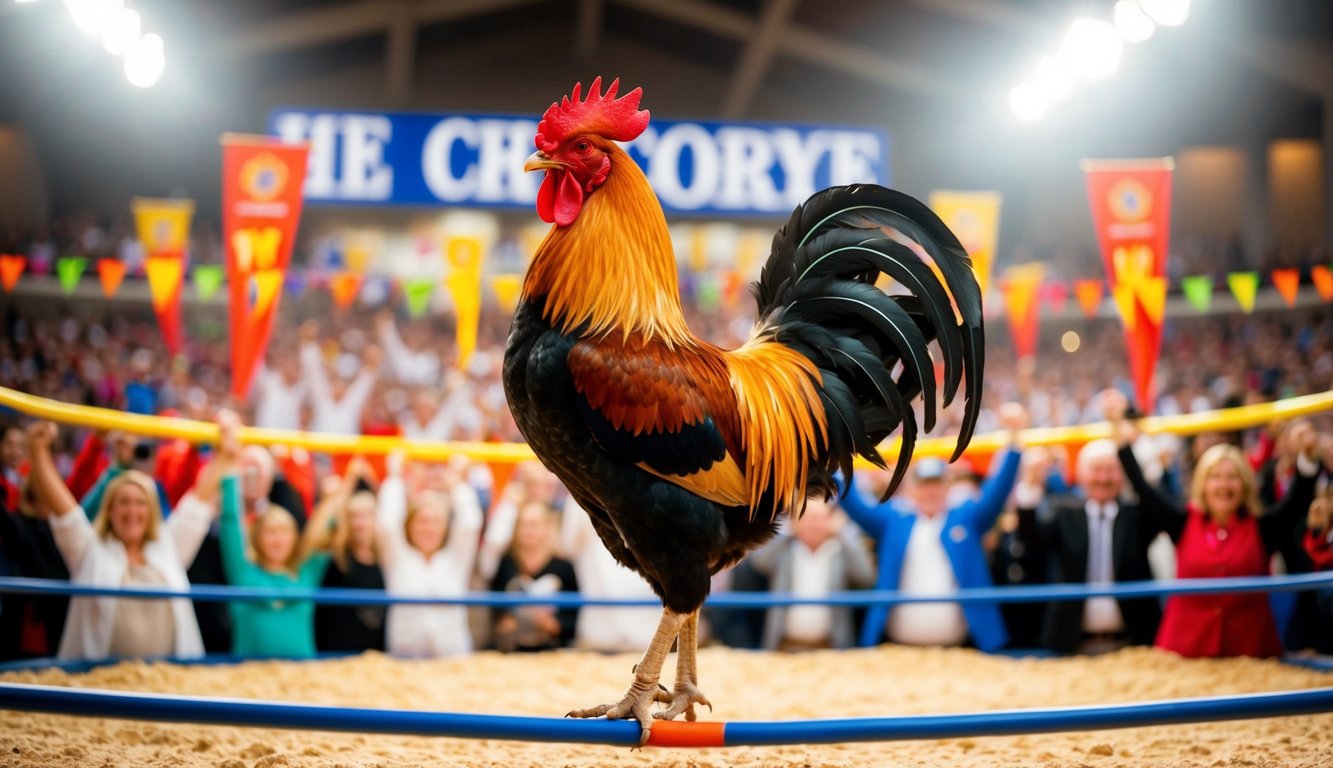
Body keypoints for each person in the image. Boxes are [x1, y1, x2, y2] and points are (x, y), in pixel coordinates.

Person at [1105, 390, 1320, 658]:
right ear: (1203, 484)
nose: (1224, 485)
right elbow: (1143, 489)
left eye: (1232, 477)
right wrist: (1118, 431)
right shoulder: (1182, 521)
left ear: (1245, 484)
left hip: (1251, 655)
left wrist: (1308, 457)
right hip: (1186, 655)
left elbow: (1296, 502)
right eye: (1215, 476)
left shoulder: (1263, 527)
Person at [837, 403, 1028, 652]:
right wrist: (836, 454)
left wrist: (1013, 440)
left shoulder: (966, 516)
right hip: (898, 648)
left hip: (960, 649)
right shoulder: (894, 519)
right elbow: (855, 504)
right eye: (924, 484)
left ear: (947, 487)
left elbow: (997, 491)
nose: (931, 491)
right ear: (912, 489)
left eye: (936, 484)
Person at [26, 419, 218, 661]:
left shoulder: (167, 547)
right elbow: (63, 510)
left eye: (140, 503)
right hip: (102, 683)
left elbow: (198, 503)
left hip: (166, 682)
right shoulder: (90, 548)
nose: (132, 511)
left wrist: (225, 455)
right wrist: (39, 450)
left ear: (151, 511)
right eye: (123, 502)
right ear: (110, 510)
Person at [1013, 438, 1166, 654]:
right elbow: (1031, 547)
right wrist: (1030, 485)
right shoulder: (1063, 513)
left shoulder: (1137, 516)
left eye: (1111, 470)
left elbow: (1167, 514)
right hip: (1071, 646)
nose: (1103, 478)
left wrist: (1140, 468)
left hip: (1133, 645)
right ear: (1081, 474)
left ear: (1122, 474)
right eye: (1096, 470)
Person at [217, 420, 332, 658]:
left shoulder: (305, 572)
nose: (278, 540)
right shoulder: (244, 572)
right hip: (252, 680)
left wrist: (334, 491)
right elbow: (230, 521)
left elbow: (326, 531)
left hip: (300, 681)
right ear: (258, 537)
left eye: (284, 532)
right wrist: (229, 463)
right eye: (270, 531)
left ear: (294, 538)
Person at [377, 451, 483, 658]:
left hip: (452, 659)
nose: (429, 528)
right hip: (405, 663)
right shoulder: (398, 558)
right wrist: (395, 477)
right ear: (410, 525)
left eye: (436, 522)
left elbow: (470, 523)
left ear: (445, 528)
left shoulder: (454, 559)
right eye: (422, 521)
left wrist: (457, 484)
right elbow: (387, 523)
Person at [748, 497, 875, 651]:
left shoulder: (841, 551)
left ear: (831, 521)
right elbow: (759, 562)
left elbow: (866, 576)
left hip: (831, 648)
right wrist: (787, 531)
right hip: (784, 646)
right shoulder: (784, 550)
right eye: (807, 518)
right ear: (795, 521)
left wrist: (843, 533)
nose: (814, 525)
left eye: (820, 518)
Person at [307, 458, 386, 653]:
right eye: (354, 516)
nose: (361, 522)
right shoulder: (338, 557)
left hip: (373, 658)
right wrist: (347, 483)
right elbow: (317, 534)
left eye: (367, 515)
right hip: (335, 653)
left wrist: (373, 483)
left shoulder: (384, 559)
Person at [490, 501, 579, 653]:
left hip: (553, 650)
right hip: (513, 650)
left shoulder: (564, 567)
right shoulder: (506, 563)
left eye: (534, 525)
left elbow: (575, 610)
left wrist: (555, 625)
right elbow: (495, 600)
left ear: (547, 528)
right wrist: (504, 620)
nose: (528, 531)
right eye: (523, 525)